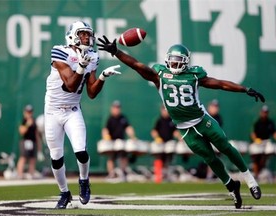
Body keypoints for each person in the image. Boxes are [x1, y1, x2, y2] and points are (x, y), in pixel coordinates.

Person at [97, 36, 265, 209]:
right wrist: (116, 52)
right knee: (210, 158)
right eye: (172, 61)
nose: (175, 64)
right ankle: (232, 186)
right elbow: (136, 65)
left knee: (225, 147)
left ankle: (251, 181)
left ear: (186, 62)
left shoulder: (194, 75)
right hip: (185, 129)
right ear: (167, 60)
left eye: (179, 61)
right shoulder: (159, 75)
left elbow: (220, 84)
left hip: (202, 120)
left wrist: (245, 89)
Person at [44, 21, 121, 209]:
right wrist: (80, 67)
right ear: (72, 36)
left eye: (88, 34)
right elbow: (70, 85)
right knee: (56, 157)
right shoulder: (60, 51)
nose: (87, 38)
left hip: (72, 110)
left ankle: (84, 181)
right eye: (83, 34)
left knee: (81, 151)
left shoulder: (93, 56)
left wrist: (102, 77)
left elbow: (92, 93)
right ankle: (64, 192)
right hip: (53, 111)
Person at [101, 100, 137, 181]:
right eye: (115, 107)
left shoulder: (123, 118)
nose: (116, 109)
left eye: (118, 107)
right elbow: (105, 130)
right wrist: (106, 137)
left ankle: (123, 173)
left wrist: (133, 136)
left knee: (124, 156)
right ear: (112, 108)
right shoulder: (110, 119)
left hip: (121, 142)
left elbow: (128, 128)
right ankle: (112, 174)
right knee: (111, 157)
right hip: (112, 143)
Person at [150, 104, 182, 182]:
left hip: (169, 143)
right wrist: (157, 138)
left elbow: (175, 132)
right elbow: (153, 131)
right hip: (160, 143)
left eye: (166, 110)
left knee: (169, 156)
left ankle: (167, 174)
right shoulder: (159, 120)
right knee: (159, 157)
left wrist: (180, 138)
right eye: (163, 110)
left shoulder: (172, 120)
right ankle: (158, 176)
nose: (165, 112)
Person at [16, 104, 43, 179]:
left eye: (30, 112)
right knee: (23, 157)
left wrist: (39, 148)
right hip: (25, 141)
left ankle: (31, 174)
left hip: (33, 142)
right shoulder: (23, 120)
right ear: (25, 112)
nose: (29, 113)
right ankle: (20, 174)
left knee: (33, 158)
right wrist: (28, 124)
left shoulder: (34, 120)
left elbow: (36, 134)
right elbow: (21, 131)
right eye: (28, 112)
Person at [250, 105, 276, 180]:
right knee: (256, 158)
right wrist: (256, 140)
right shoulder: (257, 121)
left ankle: (263, 170)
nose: (265, 114)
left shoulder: (270, 122)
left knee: (267, 153)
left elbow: (274, 133)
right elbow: (252, 133)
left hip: (266, 142)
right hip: (258, 141)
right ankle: (256, 175)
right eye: (264, 112)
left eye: (266, 112)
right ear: (261, 112)